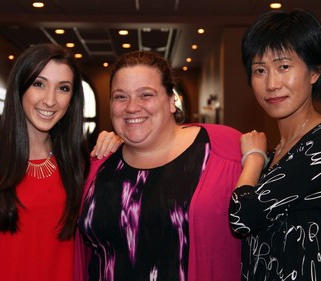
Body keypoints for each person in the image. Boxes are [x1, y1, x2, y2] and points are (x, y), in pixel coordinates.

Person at [75, 50, 243, 281]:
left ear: (172, 100)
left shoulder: (224, 152)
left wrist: (256, 156)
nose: (132, 107)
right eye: (120, 97)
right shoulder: (98, 165)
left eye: (146, 95)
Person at [228, 9, 321, 281]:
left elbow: (242, 215)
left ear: (315, 71)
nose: (271, 84)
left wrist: (254, 157)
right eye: (260, 70)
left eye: (284, 67)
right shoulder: (281, 153)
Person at [0, 43, 92, 281]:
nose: (50, 100)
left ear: (72, 98)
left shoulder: (77, 165)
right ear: (20, 87)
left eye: (63, 88)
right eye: (39, 84)